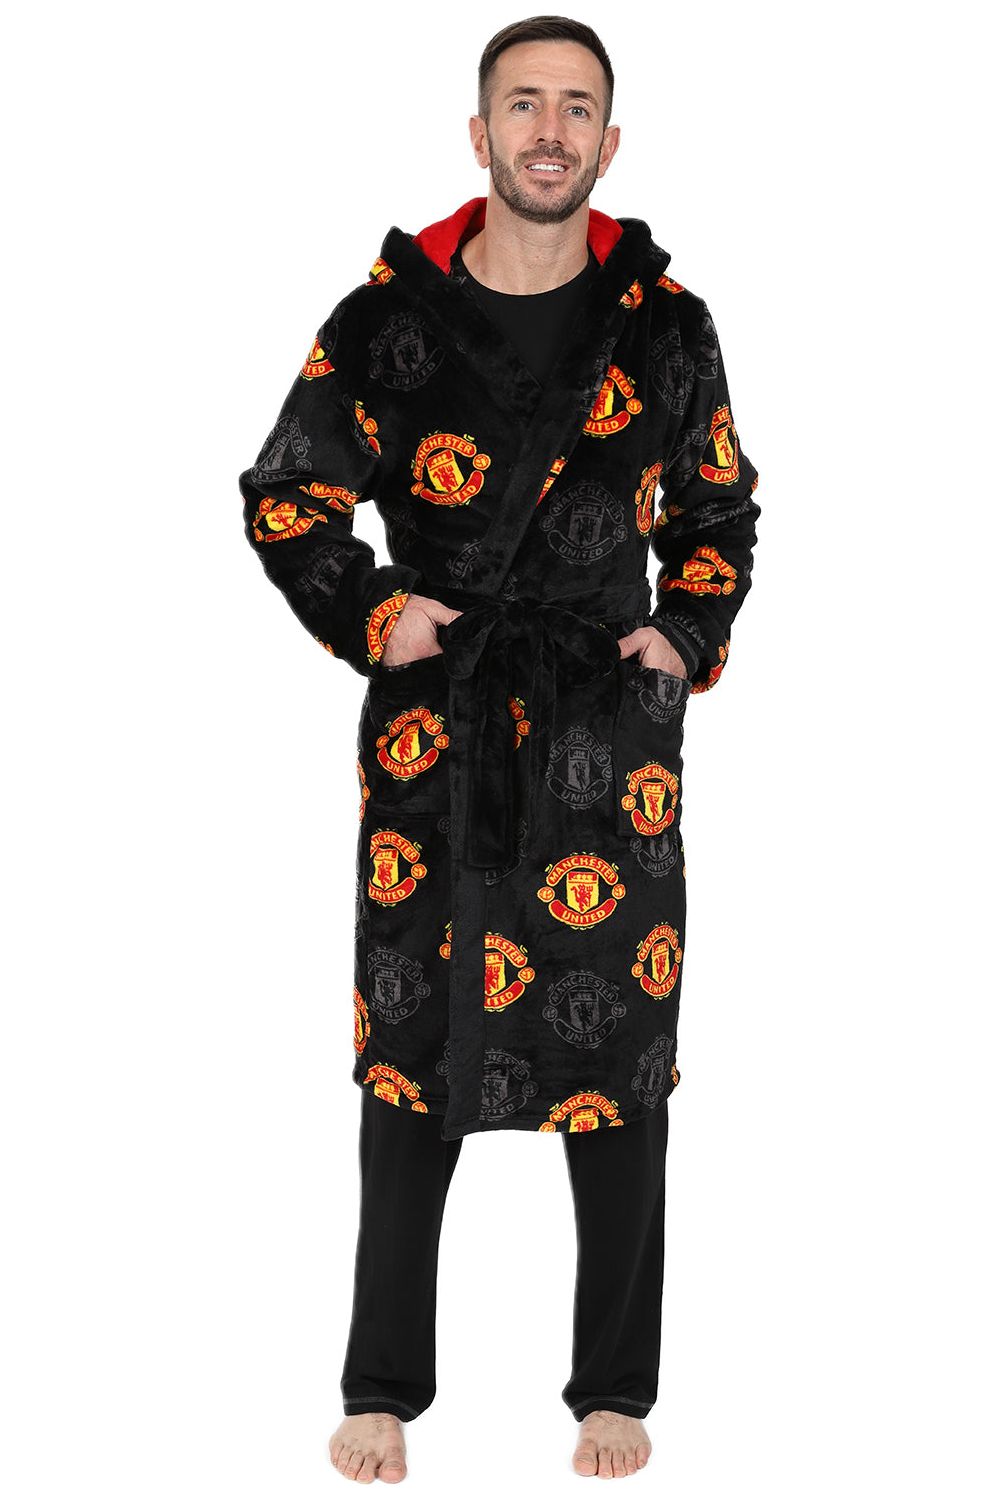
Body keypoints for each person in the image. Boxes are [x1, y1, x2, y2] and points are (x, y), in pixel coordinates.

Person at [238, 15, 760, 1483]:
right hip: (441, 737)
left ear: (610, 142)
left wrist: (683, 640)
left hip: (606, 739)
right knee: (413, 1048)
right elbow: (286, 494)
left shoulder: (667, 327)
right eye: (522, 104)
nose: (548, 130)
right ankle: (382, 1386)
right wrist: (375, 612)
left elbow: (719, 510)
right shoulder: (382, 323)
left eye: (576, 107)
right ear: (479, 135)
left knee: (622, 1059)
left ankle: (615, 1389)